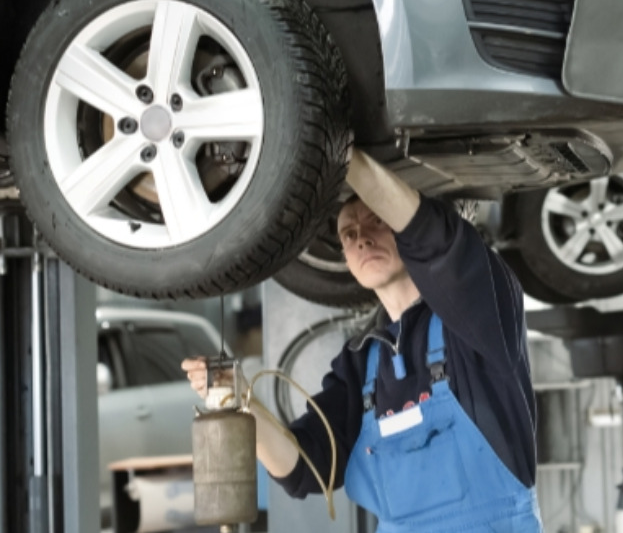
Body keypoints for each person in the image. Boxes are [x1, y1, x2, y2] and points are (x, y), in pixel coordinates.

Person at [182, 148, 543, 531]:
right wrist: (243, 403)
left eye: (377, 221)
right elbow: (303, 469)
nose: (362, 239)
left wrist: (334, 145)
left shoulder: (477, 316)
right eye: (349, 233)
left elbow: (438, 240)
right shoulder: (361, 363)